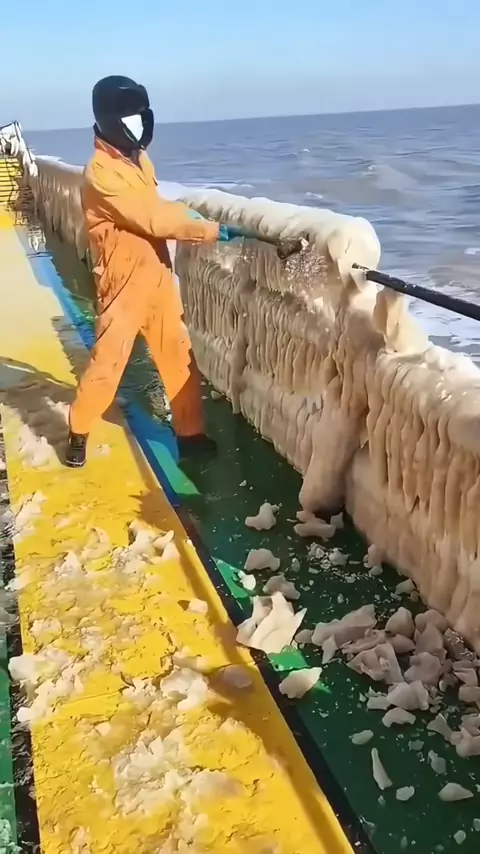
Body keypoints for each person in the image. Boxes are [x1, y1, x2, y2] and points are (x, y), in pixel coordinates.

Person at [66, 75, 219, 468]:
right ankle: (78, 431)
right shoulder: (100, 172)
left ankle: (191, 435)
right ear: (109, 120)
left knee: (179, 359)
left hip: (157, 276)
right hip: (122, 283)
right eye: (130, 117)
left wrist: (191, 217)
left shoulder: (138, 159)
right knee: (108, 363)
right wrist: (208, 229)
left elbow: (158, 206)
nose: (138, 124)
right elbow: (152, 218)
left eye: (141, 115)